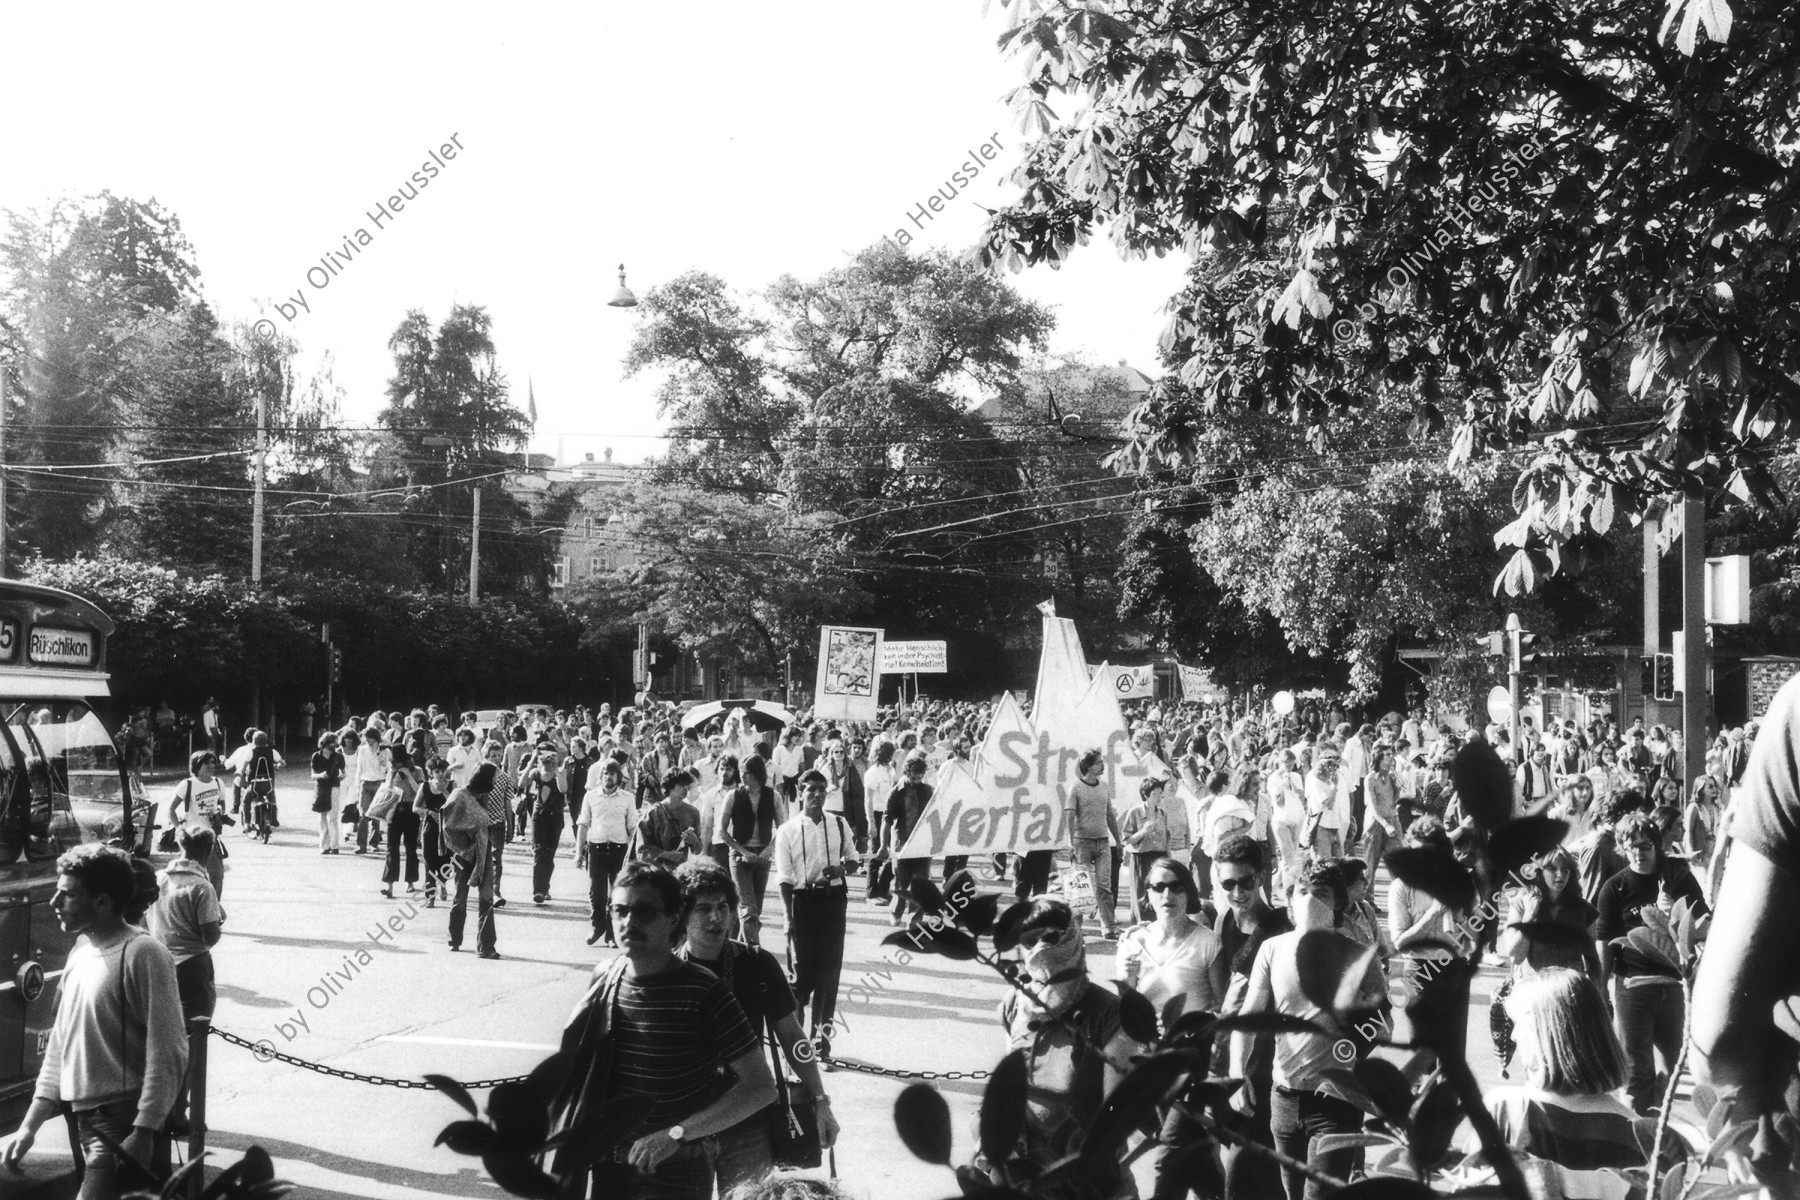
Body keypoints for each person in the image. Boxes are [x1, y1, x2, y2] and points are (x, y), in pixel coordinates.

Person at [551, 862, 777, 1200]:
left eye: (644, 911)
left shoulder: (703, 990)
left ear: (673, 918)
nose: (628, 922)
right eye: (620, 910)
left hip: (676, 1177)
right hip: (610, 1171)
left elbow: (760, 1087)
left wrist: (675, 1134)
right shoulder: (605, 978)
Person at [0, 845, 187, 1198]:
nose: (55, 901)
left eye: (68, 894)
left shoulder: (143, 952)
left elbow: (168, 1050)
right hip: (85, 1118)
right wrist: (29, 1126)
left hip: (122, 1120)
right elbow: (59, 1050)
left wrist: (144, 1130)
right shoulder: (81, 956)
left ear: (102, 902)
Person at [674, 859, 839, 1194]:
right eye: (703, 908)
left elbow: (793, 1037)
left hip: (749, 1123)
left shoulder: (758, 964)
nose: (716, 918)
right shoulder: (666, 971)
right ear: (680, 916)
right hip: (687, 1128)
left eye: (723, 907)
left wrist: (821, 1101)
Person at [1231, 859, 1388, 1200]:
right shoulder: (1272, 949)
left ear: (1338, 905)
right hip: (1284, 1097)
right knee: (1293, 1194)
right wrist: (1237, 1074)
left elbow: (1383, 1021)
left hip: (1336, 1101)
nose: (1310, 900)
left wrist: (1345, 1053)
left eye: (1321, 894)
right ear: (1290, 903)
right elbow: (1249, 1016)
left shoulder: (1359, 955)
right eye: (1303, 892)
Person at [983, 898, 1142, 1192]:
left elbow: (1113, 1115)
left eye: (1052, 936)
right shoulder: (1015, 1005)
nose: (1042, 947)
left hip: (1085, 1171)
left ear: (1072, 936)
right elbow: (1011, 1085)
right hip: (1027, 1167)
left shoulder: (1108, 1012)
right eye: (1031, 940)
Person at [1478, 969, 1664, 1197]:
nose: (1514, 1036)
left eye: (1518, 1024)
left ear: (1545, 1034)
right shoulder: (1639, 1135)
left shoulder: (1507, 1109)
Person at [1116, 855, 1227, 1200]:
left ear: (1189, 893)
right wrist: (1128, 978)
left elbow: (1223, 1009)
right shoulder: (1132, 941)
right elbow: (1124, 1011)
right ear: (1147, 894)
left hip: (1191, 1063)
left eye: (1177, 886)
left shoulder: (1208, 942)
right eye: (1158, 887)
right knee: (1194, 1150)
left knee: (1174, 1152)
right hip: (1147, 1063)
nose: (1168, 895)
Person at [1595, 810, 1707, 1114]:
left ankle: (1657, 1133)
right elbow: (1604, 941)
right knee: (1636, 1073)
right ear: (1622, 848)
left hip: (1672, 984)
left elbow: (1707, 923)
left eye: (1645, 845)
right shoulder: (1615, 887)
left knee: (1670, 1072)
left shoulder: (1678, 877)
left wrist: (1678, 915)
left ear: (1656, 845)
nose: (1639, 853)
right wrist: (1604, 987)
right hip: (1631, 985)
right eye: (1631, 847)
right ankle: (1632, 1139)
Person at [1212, 835, 1291, 1200]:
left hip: (1265, 1071)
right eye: (1228, 883)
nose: (1238, 891)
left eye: (1245, 881)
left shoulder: (1278, 928)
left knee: (1245, 1177)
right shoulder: (1224, 919)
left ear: (1261, 877)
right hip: (1230, 1064)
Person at [774, 770, 858, 1057]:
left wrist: (842, 869)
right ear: (800, 793)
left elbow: (854, 860)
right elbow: (784, 877)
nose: (817, 795)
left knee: (828, 976)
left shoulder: (838, 823)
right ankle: (798, 1048)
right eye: (811, 789)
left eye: (822, 789)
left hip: (833, 903)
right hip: (801, 903)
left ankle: (820, 1043)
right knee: (799, 977)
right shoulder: (787, 830)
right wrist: (787, 917)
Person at [723, 756, 782, 948]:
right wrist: (742, 851)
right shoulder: (733, 796)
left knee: (756, 910)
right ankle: (754, 953)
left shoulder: (773, 796)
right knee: (748, 908)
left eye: (746, 772)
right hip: (740, 856)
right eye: (741, 772)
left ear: (757, 774)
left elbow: (783, 829)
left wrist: (769, 850)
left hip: (763, 855)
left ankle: (739, 953)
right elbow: (721, 832)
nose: (742, 776)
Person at [577, 758, 636, 947]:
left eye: (612, 773)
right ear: (600, 775)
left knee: (616, 894)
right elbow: (583, 824)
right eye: (605, 773)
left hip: (619, 850)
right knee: (597, 893)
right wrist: (579, 852)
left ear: (618, 776)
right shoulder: (591, 796)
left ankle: (612, 934)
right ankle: (597, 927)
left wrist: (634, 854)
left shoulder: (627, 798)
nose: (608, 777)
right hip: (596, 849)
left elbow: (633, 828)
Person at [1065, 748, 1122, 939]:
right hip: (1082, 843)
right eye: (1099, 763)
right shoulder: (1076, 788)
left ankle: (1109, 928)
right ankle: (1076, 930)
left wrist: (1118, 840)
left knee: (1104, 886)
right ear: (1088, 766)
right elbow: (1070, 816)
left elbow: (1109, 815)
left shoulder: (1104, 787)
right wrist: (1071, 843)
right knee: (1080, 888)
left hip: (1103, 842)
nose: (1103, 765)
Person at [442, 762, 498, 958]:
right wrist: (466, 847)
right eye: (493, 778)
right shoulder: (459, 796)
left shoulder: (483, 797)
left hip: (484, 851)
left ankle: (486, 946)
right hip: (464, 853)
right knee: (460, 897)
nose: (495, 781)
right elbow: (448, 826)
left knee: (486, 898)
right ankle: (454, 938)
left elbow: (486, 822)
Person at [884, 751, 935, 926]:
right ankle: (896, 911)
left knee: (921, 883)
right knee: (901, 882)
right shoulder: (896, 792)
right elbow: (887, 819)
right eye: (913, 778)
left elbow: (936, 816)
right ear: (906, 774)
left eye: (919, 778)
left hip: (922, 845)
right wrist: (883, 845)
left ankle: (915, 918)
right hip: (901, 844)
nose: (916, 781)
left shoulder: (928, 791)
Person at [523, 745, 569, 904]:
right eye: (543, 756)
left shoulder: (560, 772)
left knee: (549, 854)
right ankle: (538, 891)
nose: (546, 760)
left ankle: (545, 887)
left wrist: (556, 768)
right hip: (539, 816)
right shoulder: (535, 773)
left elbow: (563, 789)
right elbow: (522, 783)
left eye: (549, 756)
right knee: (539, 851)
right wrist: (531, 761)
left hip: (555, 817)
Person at [380, 744, 423, 900]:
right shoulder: (391, 771)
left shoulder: (417, 770)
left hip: (411, 809)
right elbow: (387, 792)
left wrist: (408, 775)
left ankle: (410, 881)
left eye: (400, 762)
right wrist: (391, 776)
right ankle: (389, 884)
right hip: (395, 809)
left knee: (410, 848)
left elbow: (419, 790)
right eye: (395, 762)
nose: (397, 765)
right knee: (392, 847)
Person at [638, 768, 703, 869]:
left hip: (680, 872)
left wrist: (694, 841)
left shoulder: (693, 813)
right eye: (681, 785)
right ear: (670, 786)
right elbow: (642, 851)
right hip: (656, 872)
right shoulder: (653, 813)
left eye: (687, 785)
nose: (685, 789)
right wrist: (667, 855)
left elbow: (697, 850)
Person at [311, 730, 345, 856]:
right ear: (325, 743)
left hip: (334, 787)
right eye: (332, 742)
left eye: (335, 742)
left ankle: (335, 846)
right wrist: (321, 775)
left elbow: (343, 772)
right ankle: (324, 846)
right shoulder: (316, 756)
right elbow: (312, 775)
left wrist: (342, 776)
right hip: (321, 788)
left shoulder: (339, 757)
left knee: (334, 817)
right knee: (322, 818)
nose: (334, 744)